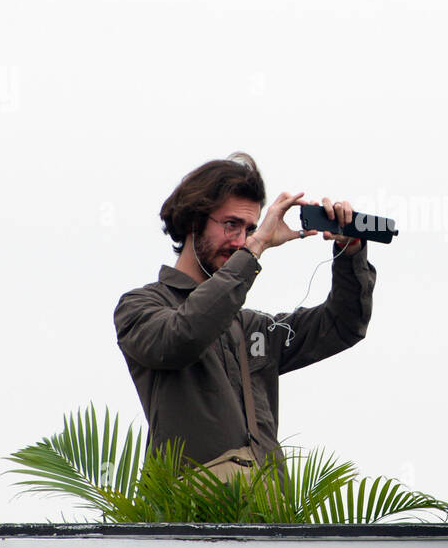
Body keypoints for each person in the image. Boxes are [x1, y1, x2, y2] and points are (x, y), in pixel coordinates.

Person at [113, 152, 375, 475]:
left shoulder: (252, 329)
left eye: (250, 228)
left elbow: (342, 325)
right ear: (194, 222)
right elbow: (183, 335)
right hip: (189, 518)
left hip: (268, 517)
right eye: (231, 225)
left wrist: (350, 251)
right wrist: (256, 247)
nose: (240, 241)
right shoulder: (138, 308)